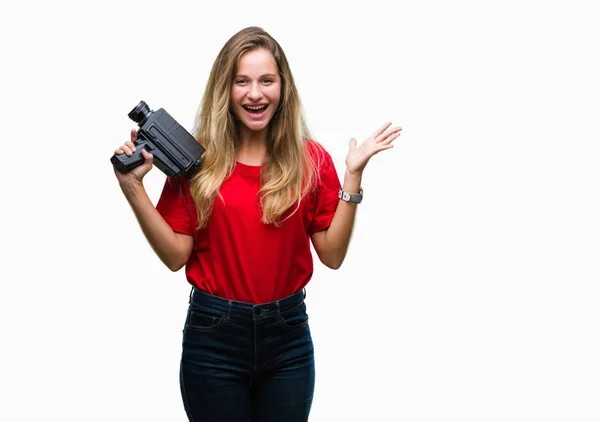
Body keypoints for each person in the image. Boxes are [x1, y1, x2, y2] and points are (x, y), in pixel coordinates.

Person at [113, 26, 401, 422]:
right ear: (224, 90)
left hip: (288, 339)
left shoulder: (312, 160)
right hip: (214, 337)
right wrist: (133, 188)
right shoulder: (195, 161)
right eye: (241, 81)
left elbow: (332, 256)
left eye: (267, 80)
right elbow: (176, 256)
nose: (255, 93)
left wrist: (353, 176)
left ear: (283, 88)